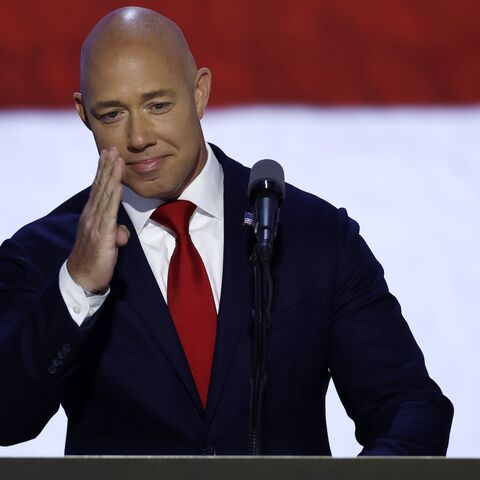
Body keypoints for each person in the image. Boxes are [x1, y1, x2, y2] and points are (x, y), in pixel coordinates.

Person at [0, 6, 453, 455]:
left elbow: (406, 405)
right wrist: (78, 285)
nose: (138, 138)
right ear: (83, 114)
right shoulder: (41, 255)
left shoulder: (315, 236)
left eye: (158, 105)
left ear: (199, 92)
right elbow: (8, 416)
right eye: (112, 114)